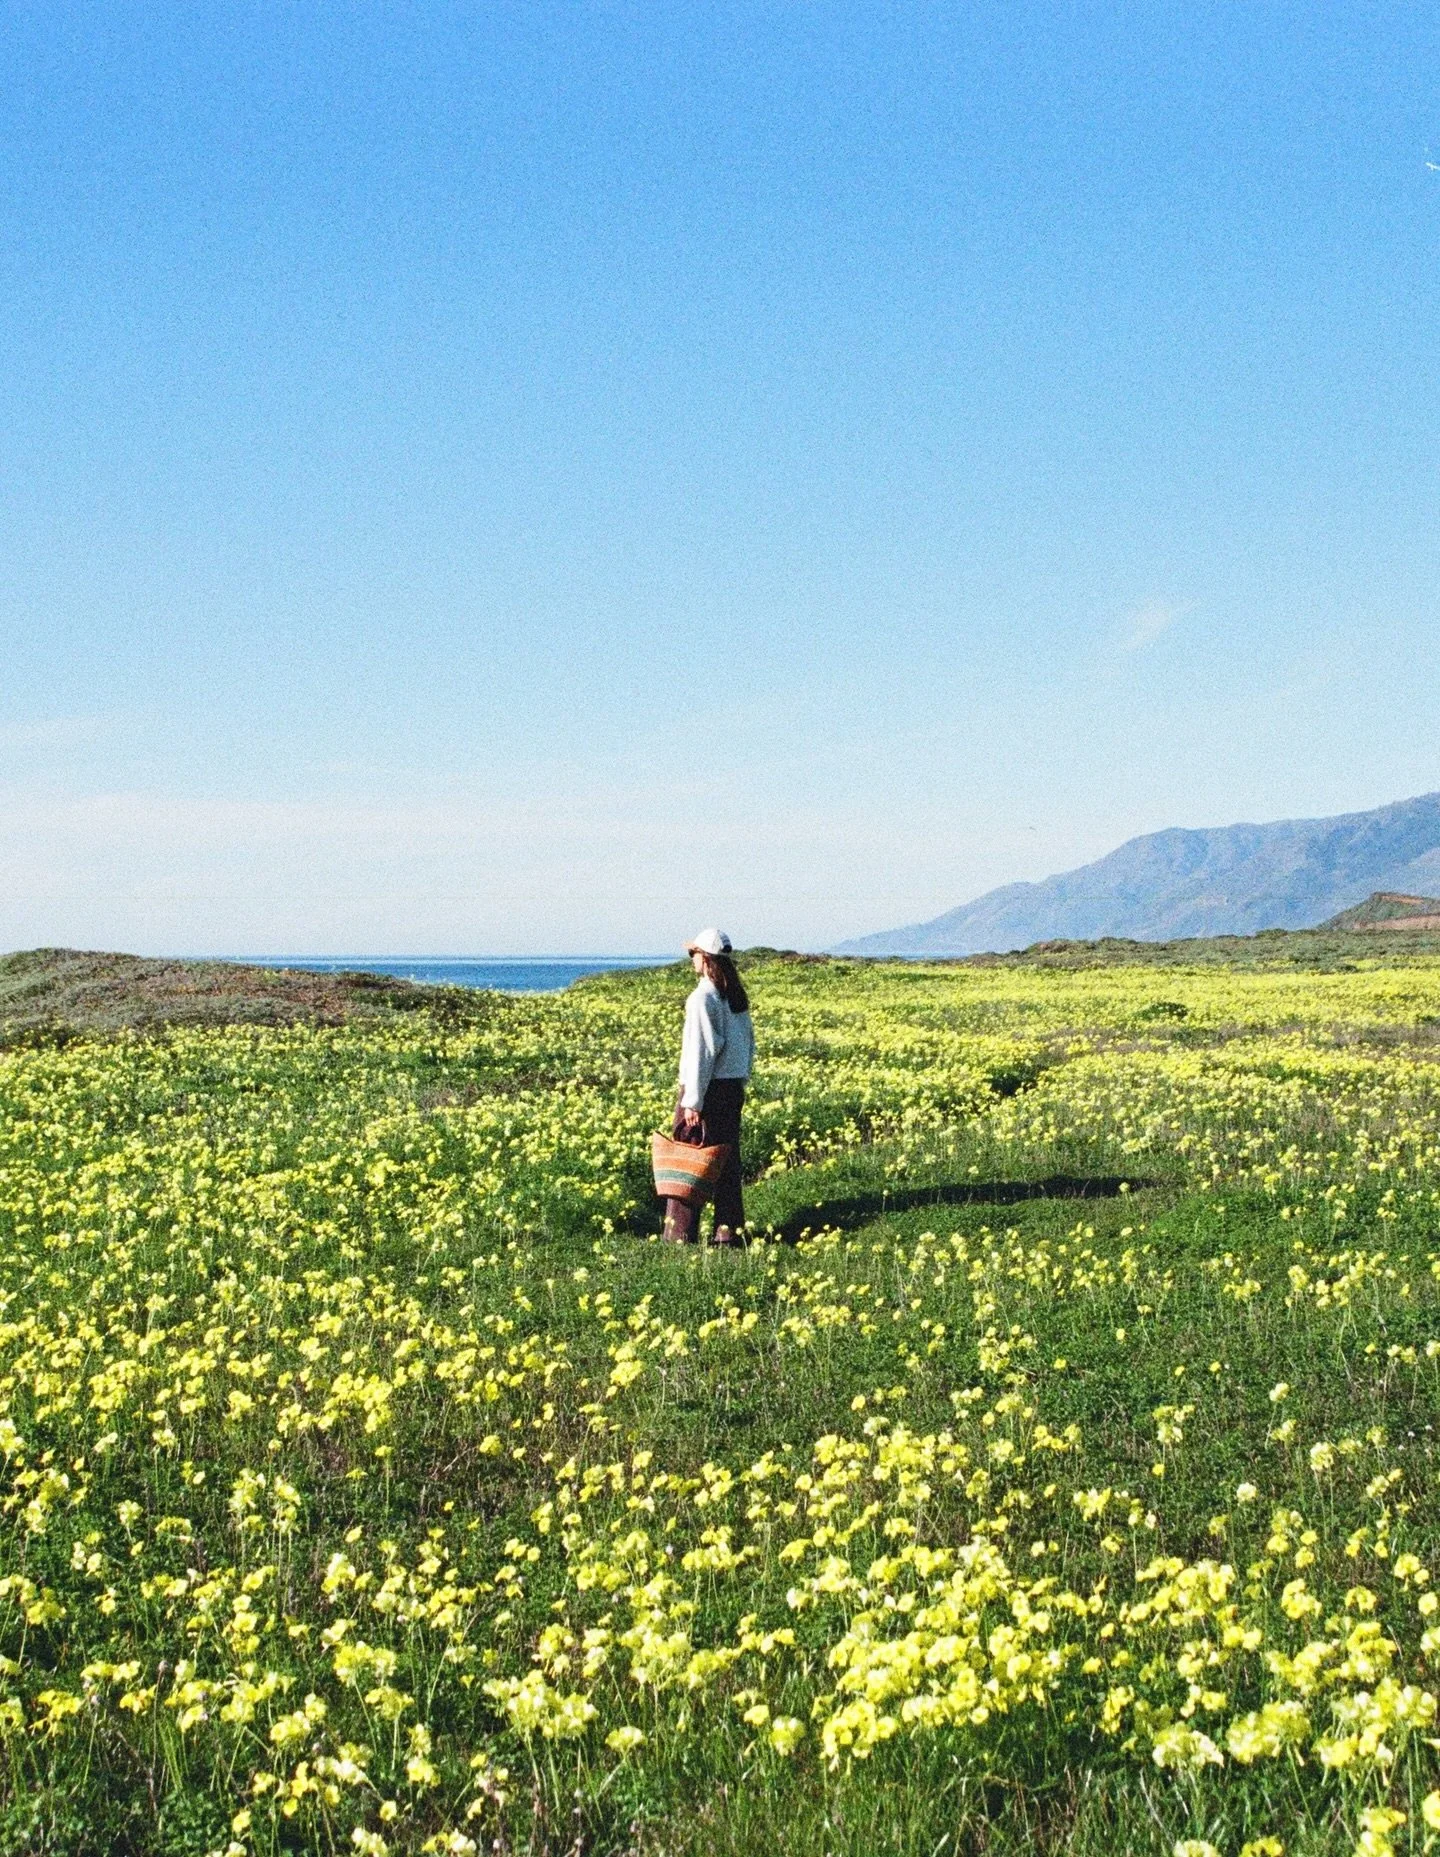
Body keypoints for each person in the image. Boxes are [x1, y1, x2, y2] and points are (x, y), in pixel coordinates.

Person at [663, 927, 755, 1246]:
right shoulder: (734, 996)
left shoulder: (702, 997)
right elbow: (747, 1046)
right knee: (726, 1164)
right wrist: (740, 1080)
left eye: (694, 954)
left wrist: (693, 1101)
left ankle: (678, 1237)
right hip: (731, 1090)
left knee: (689, 1162)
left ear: (705, 958)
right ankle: (729, 1235)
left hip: (708, 1091)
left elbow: (700, 1053)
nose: (691, 959)